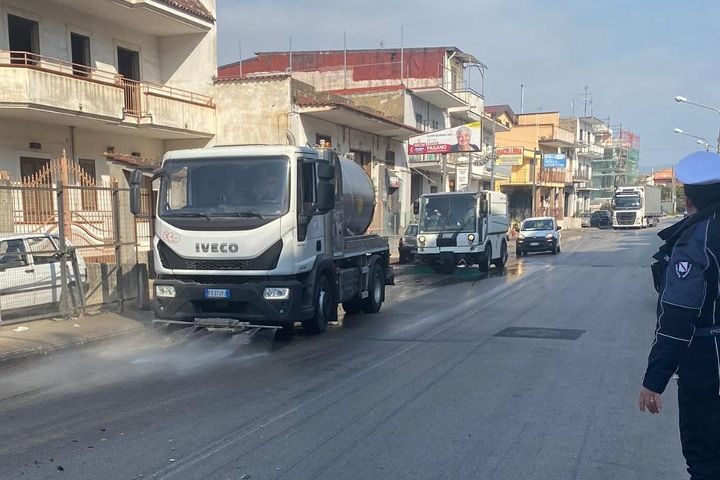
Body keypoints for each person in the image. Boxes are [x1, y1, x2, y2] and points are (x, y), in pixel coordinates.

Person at [640, 150, 720, 479]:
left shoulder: (696, 242)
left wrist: (653, 381)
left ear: (688, 200)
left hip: (707, 370)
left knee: (705, 459)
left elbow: (676, 321)